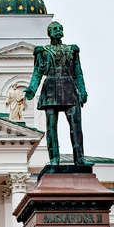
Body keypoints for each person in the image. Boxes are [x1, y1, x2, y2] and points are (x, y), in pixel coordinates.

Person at [22, 21, 87, 167]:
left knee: (76, 125)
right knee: (51, 126)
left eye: (59, 28)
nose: (57, 31)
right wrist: (32, 89)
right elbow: (37, 72)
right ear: (49, 33)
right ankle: (54, 158)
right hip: (51, 87)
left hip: (69, 87)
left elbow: (78, 72)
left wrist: (82, 90)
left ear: (62, 32)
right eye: (54, 29)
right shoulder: (43, 51)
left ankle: (79, 158)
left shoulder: (72, 50)